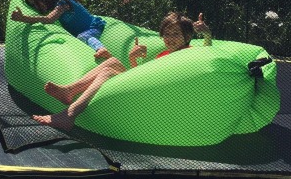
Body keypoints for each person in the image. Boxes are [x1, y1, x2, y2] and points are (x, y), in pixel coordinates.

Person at [32, 11, 212, 131]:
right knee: (112, 61)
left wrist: (206, 34)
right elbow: (141, 79)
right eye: (166, 34)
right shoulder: (163, 54)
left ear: (188, 37)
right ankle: (70, 90)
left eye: (176, 34)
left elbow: (206, 56)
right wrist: (134, 59)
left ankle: (69, 115)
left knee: (108, 73)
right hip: (144, 90)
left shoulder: (188, 53)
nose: (170, 38)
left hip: (157, 97)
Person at [11, 0, 110, 60]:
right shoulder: (54, 6)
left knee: (83, 36)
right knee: (80, 37)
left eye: (36, 2)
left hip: (93, 27)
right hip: (83, 31)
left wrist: (23, 18)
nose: (36, 7)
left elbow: (49, 19)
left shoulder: (63, 4)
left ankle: (101, 49)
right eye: (32, 5)